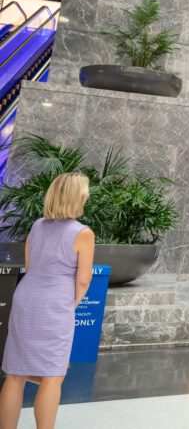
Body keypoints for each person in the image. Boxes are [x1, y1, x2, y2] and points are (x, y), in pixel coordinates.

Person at [0, 173, 95, 429]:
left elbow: (31, 267)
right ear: (78, 197)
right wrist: (71, 304)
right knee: (52, 376)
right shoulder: (83, 233)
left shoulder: (37, 225)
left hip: (26, 298)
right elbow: (84, 280)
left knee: (15, 373)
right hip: (54, 305)